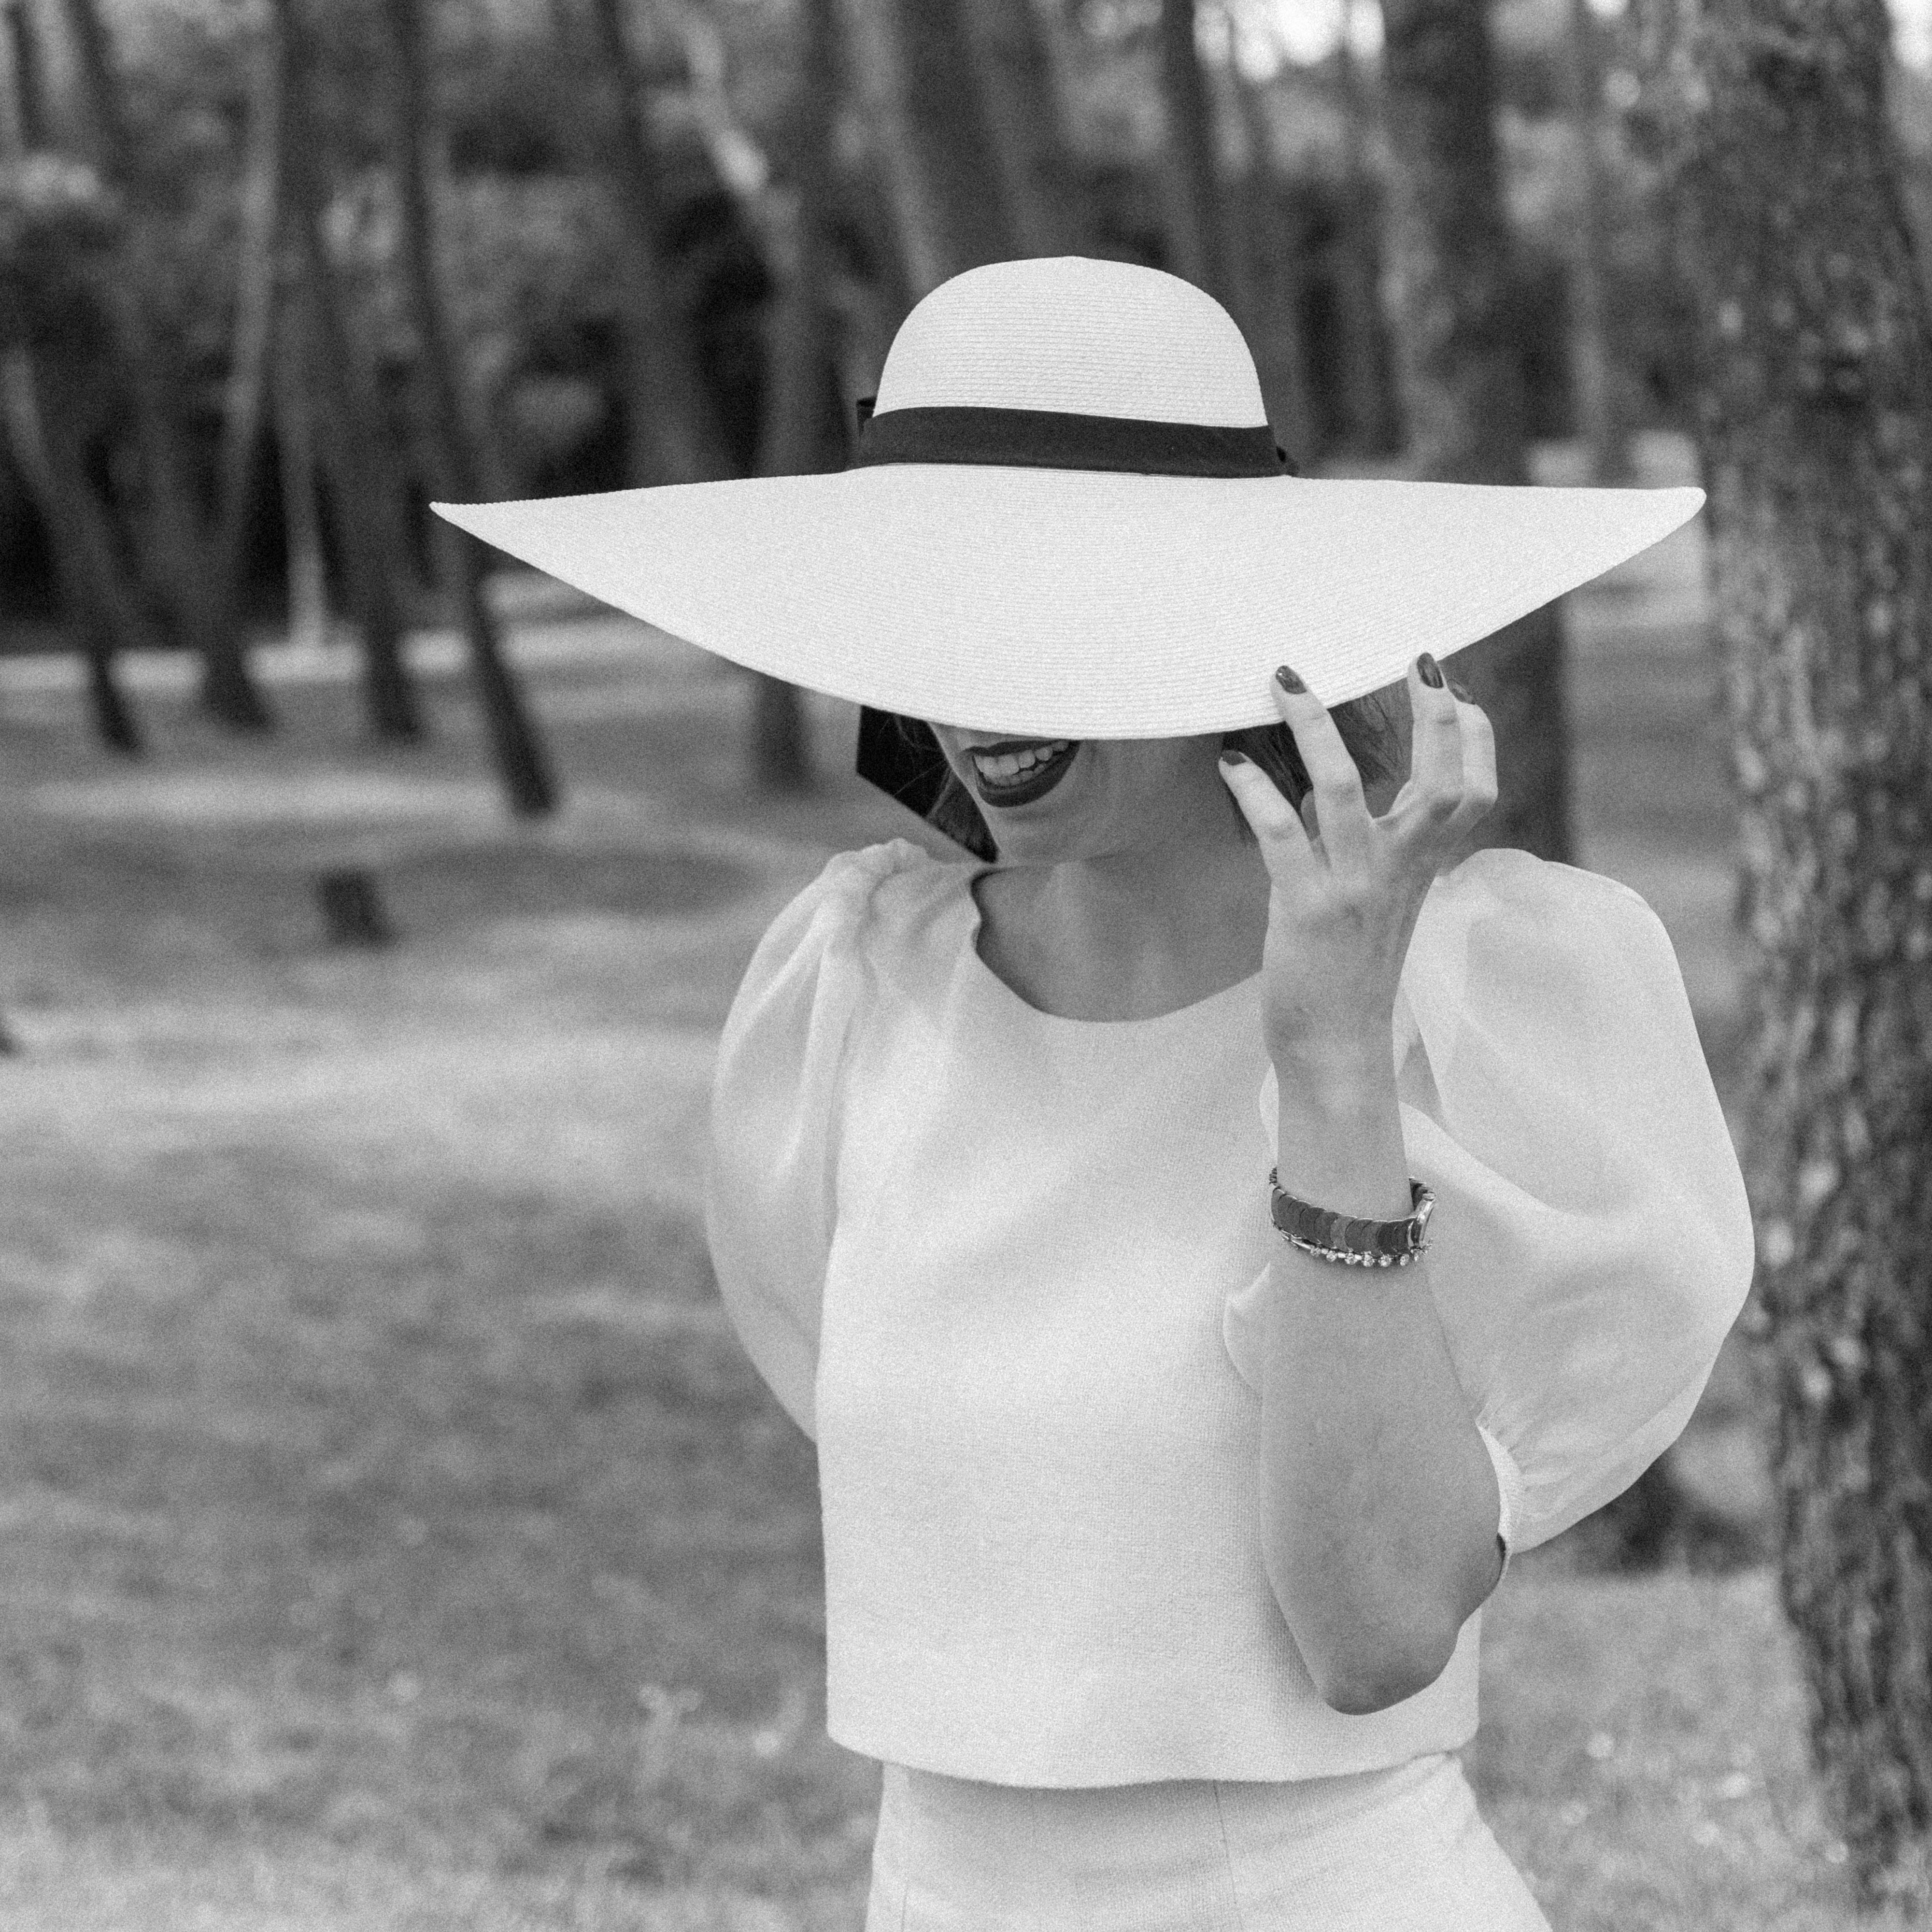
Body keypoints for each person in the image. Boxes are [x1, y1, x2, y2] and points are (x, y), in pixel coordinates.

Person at [437, 256, 1756, 1932]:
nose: (978, 691)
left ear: (1226, 618)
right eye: (937, 608)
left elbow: (1376, 1630)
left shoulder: (1476, 991)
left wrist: (1331, 1060)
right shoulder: (852, 983)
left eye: (1055, 604)